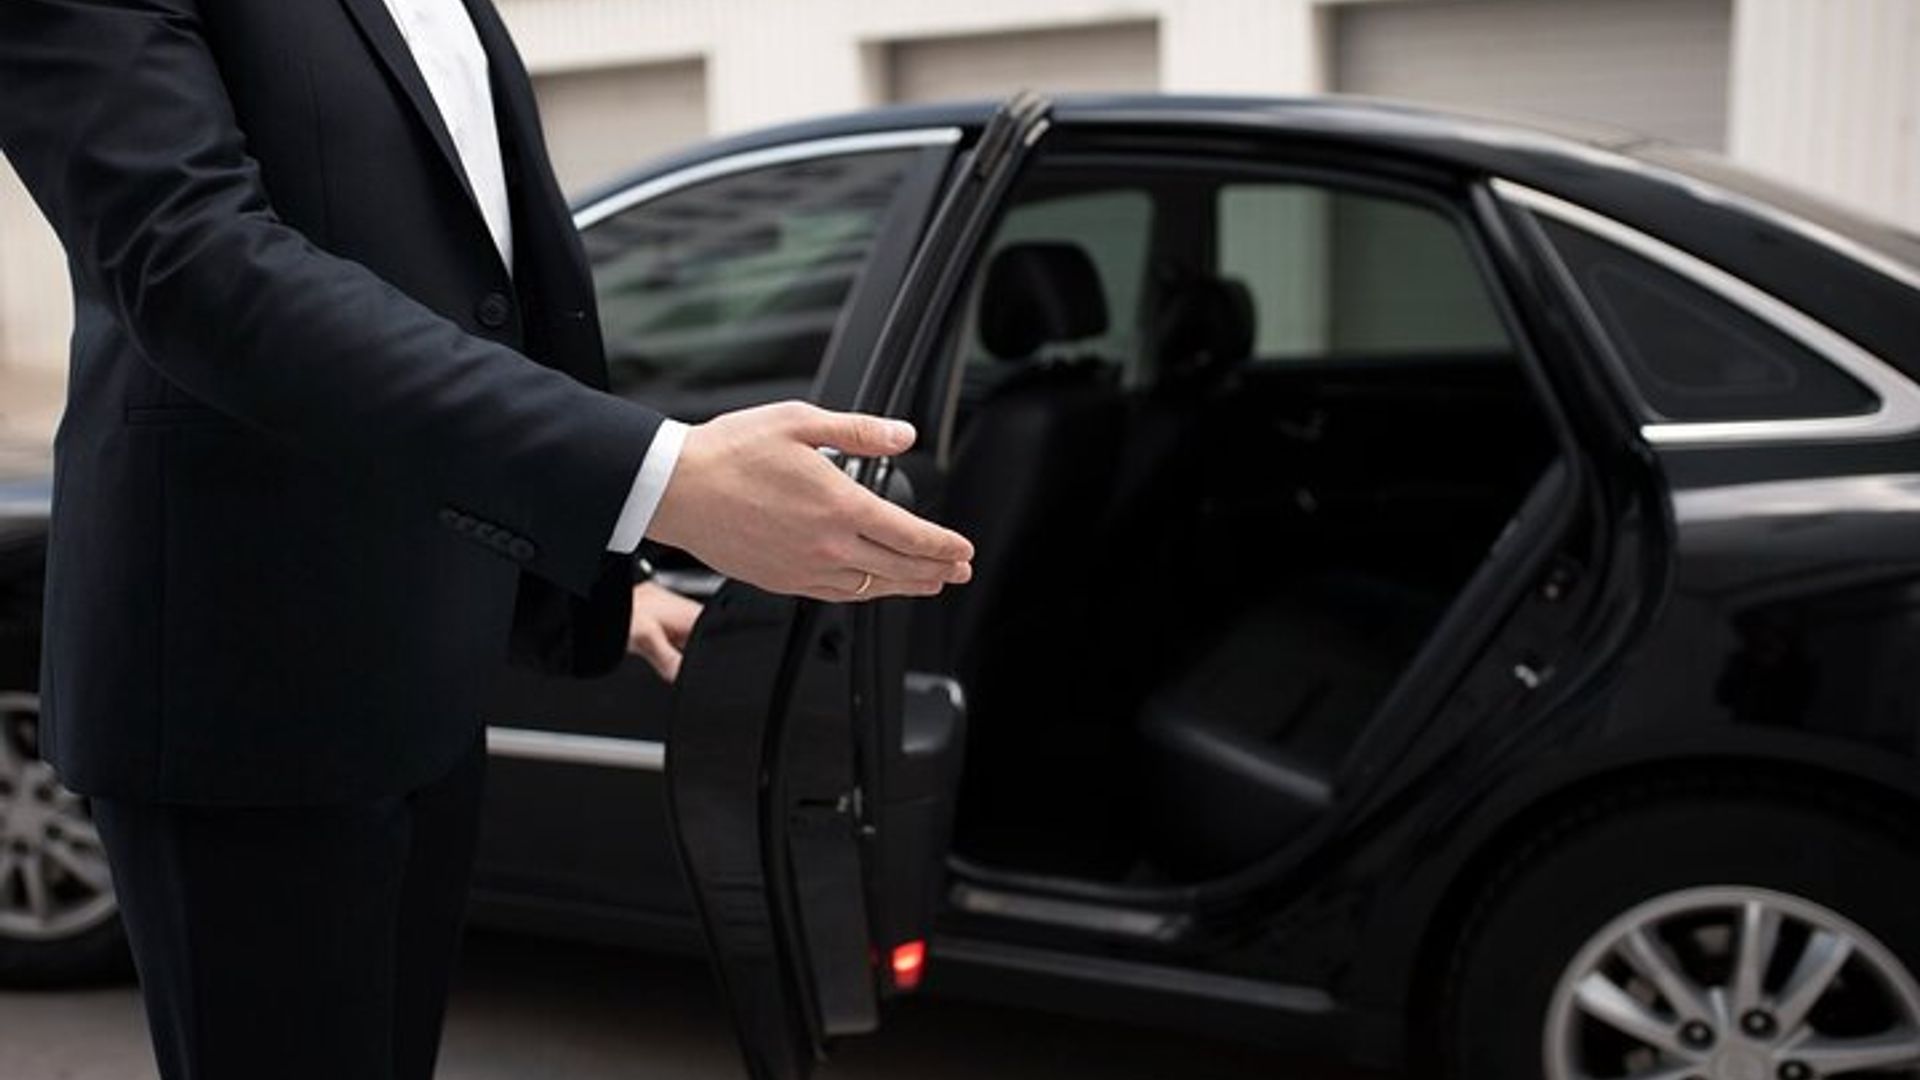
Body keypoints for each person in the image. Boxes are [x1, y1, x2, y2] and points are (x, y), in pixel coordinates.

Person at [0, 1, 972, 1077]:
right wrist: (658, 480)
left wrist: (589, 570)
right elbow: (195, 268)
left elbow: (473, 294)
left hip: (424, 678)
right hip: (240, 688)